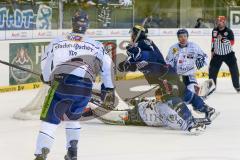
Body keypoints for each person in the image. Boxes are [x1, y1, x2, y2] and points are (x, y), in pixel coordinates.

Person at [34, 10, 115, 160]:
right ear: (87, 25)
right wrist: (108, 88)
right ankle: (72, 151)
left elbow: (46, 61)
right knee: (73, 119)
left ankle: (41, 153)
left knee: (50, 120)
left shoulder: (58, 41)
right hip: (84, 88)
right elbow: (108, 67)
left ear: (72, 22)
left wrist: (46, 77)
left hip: (61, 85)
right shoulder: (96, 45)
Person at [118, 25, 219, 125]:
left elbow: (151, 55)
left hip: (163, 75)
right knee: (184, 94)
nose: (131, 36)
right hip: (164, 74)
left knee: (169, 97)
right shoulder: (137, 48)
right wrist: (124, 65)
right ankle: (208, 110)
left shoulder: (144, 42)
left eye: (132, 34)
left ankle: (189, 121)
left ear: (136, 34)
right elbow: (134, 64)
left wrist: (138, 53)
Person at [89, 88, 209, 134]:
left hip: (138, 114)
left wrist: (191, 124)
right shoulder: (166, 104)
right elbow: (176, 122)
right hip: (138, 114)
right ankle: (91, 102)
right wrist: (190, 125)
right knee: (112, 115)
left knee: (112, 116)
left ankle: (92, 105)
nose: (158, 98)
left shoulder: (167, 105)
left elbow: (177, 120)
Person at [166, 29, 208, 95]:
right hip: (176, 75)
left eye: (185, 36)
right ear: (178, 38)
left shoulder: (194, 46)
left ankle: (195, 91)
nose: (183, 38)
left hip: (189, 74)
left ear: (187, 37)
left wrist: (201, 61)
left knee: (191, 91)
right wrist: (169, 70)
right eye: (181, 36)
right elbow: (168, 61)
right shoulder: (173, 48)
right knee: (175, 92)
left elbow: (204, 56)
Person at [209, 16, 240, 93]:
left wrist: (222, 39)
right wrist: (212, 51)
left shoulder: (229, 31)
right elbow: (213, 41)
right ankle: (212, 87)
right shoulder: (214, 30)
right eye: (218, 21)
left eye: (221, 21)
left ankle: (237, 86)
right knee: (212, 71)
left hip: (228, 55)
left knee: (234, 71)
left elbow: (232, 43)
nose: (219, 23)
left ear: (224, 22)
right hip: (217, 55)